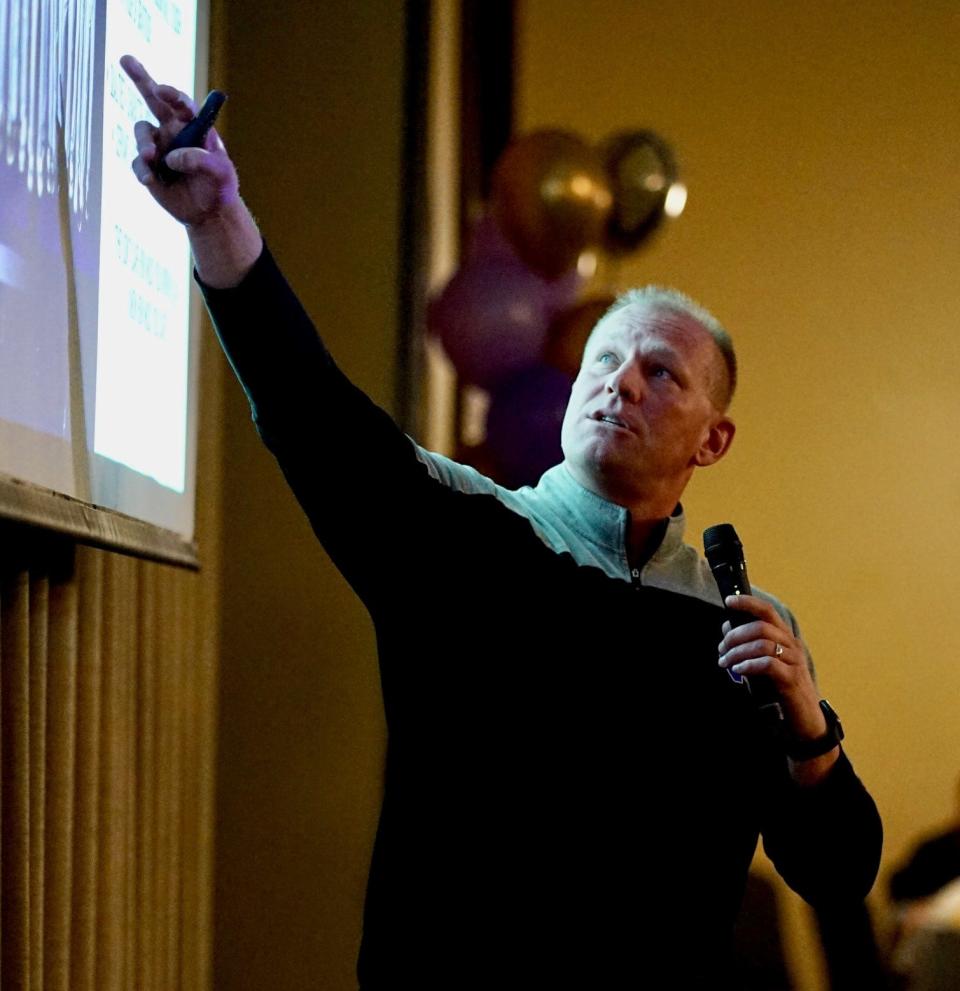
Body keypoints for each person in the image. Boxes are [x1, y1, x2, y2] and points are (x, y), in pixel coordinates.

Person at [121, 56, 882, 986]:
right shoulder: (458, 530)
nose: (620, 382)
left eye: (661, 372)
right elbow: (310, 410)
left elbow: (838, 869)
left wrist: (808, 724)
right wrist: (218, 223)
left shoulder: (739, 632)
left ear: (713, 440)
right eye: (604, 360)